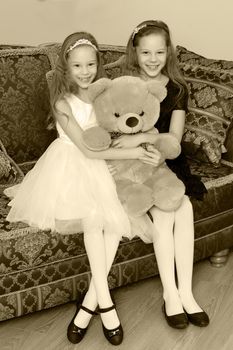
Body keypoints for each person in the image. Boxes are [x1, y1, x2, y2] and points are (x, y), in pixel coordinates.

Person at [4, 31, 158, 345]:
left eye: (90, 64)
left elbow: (113, 131)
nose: (85, 71)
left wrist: (137, 145)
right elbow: (87, 150)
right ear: (66, 67)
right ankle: (107, 307)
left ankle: (88, 305)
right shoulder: (62, 100)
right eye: (77, 66)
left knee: (115, 221)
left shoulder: (104, 95)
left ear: (98, 64)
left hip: (101, 164)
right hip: (69, 167)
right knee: (93, 218)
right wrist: (132, 153)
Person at [112, 20, 209, 329]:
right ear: (135, 53)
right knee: (166, 215)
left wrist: (143, 140)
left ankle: (187, 293)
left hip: (167, 157)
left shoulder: (178, 88)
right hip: (133, 164)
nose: (153, 59)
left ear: (169, 52)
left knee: (186, 207)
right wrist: (136, 146)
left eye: (159, 52)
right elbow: (113, 127)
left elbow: (175, 137)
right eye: (146, 53)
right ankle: (170, 295)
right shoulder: (125, 84)